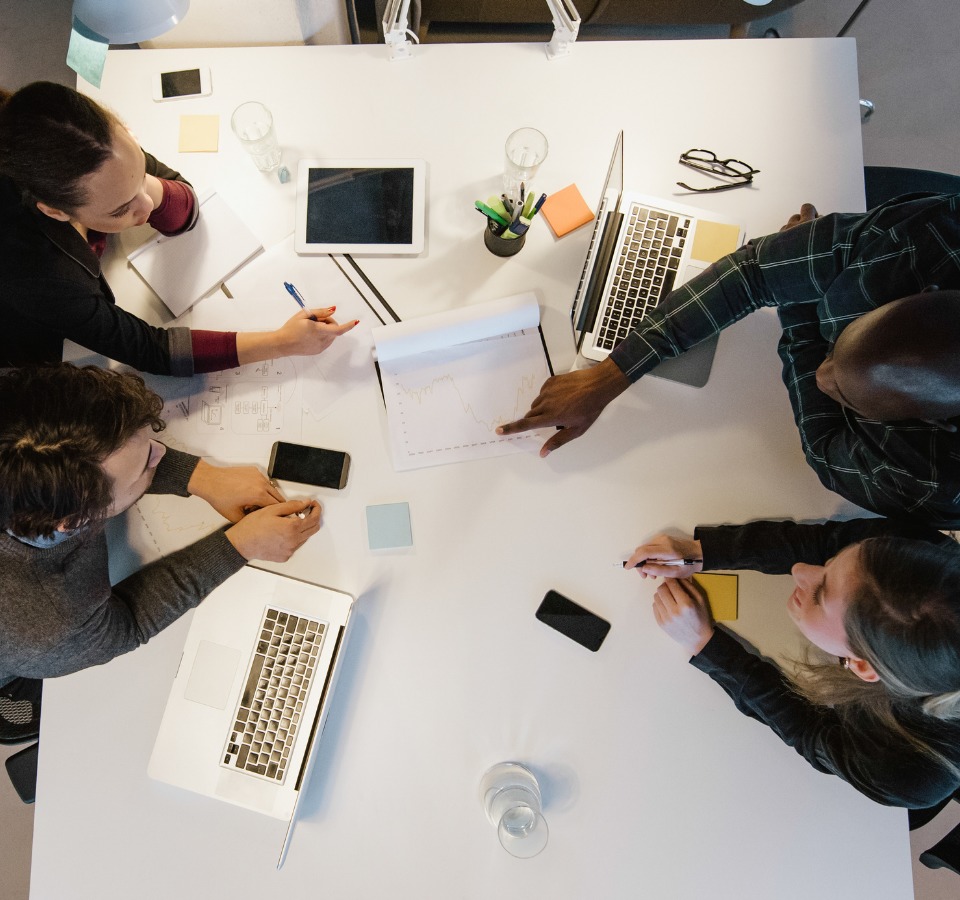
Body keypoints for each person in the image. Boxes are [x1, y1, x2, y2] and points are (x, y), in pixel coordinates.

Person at [498, 195, 960, 523]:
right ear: (923, 294)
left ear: (934, 420)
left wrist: (798, 305)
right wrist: (610, 375)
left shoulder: (931, 476)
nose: (822, 377)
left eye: (848, 396)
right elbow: (754, 271)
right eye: (843, 345)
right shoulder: (925, 243)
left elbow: (825, 451)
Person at [0, 81, 357, 375]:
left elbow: (185, 211)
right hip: (38, 349)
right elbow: (149, 349)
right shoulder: (38, 274)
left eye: (141, 175)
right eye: (121, 210)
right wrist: (282, 342)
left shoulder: (83, 143)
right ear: (56, 211)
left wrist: (143, 187)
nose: (146, 207)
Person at [0, 363, 323, 687]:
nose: (161, 453)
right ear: (73, 520)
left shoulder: (12, 405)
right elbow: (128, 624)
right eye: (147, 464)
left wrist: (201, 477)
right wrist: (238, 547)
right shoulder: (48, 630)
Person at [627, 516, 960, 810]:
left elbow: (810, 731)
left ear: (863, 666)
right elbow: (824, 542)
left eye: (820, 594)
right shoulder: (928, 558)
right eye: (830, 562)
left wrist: (707, 646)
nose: (801, 570)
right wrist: (705, 552)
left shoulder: (913, 772)